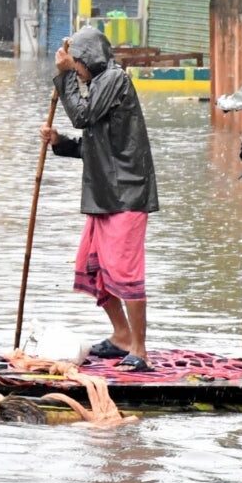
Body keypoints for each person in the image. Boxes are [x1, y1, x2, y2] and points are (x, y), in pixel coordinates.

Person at [39, 26, 160, 371]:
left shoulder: (114, 79)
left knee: (125, 271)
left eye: (77, 65)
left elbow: (81, 114)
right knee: (91, 268)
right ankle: (121, 335)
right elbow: (92, 142)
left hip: (126, 194)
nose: (75, 71)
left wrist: (61, 78)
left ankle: (140, 350)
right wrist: (60, 143)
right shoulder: (98, 87)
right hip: (104, 195)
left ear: (88, 60)